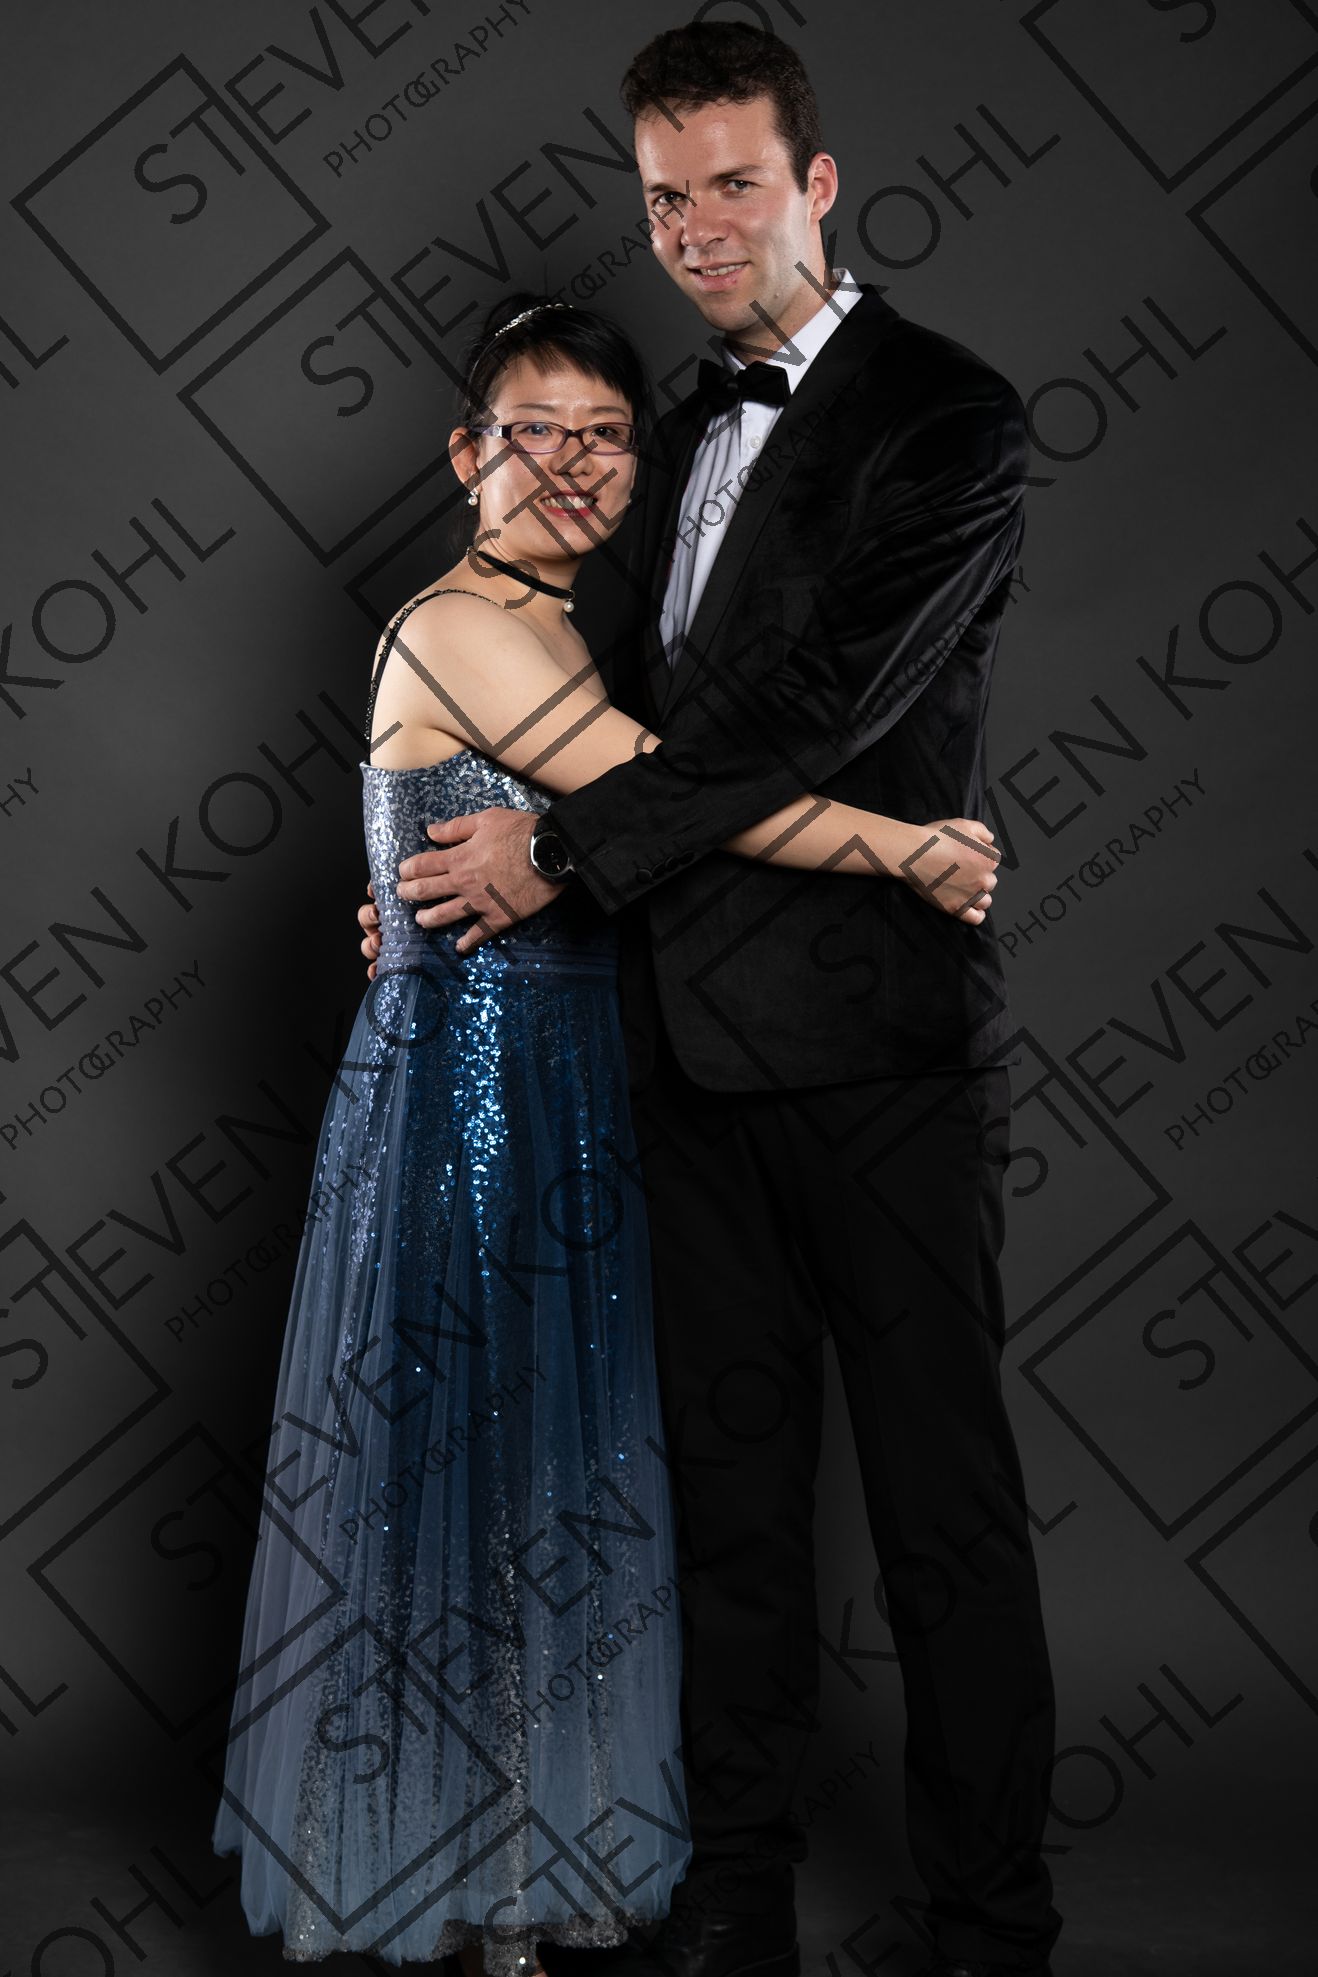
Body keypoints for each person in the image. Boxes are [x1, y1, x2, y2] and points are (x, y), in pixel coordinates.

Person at [357, 22, 1065, 1977]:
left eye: (735, 184)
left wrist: (552, 858)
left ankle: (989, 1920)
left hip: (881, 1053)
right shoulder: (659, 434)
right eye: (665, 197)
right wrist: (412, 881)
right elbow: (563, 705)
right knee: (725, 1510)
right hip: (667, 1048)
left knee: (937, 1511)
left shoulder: (948, 417)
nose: (697, 228)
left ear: (816, 184)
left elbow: (804, 711)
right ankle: (731, 1889)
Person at [215, 287, 999, 1970]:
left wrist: (410, 894)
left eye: (604, 437)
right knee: (474, 1472)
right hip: (474, 1101)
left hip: (584, 1087)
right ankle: (451, 1880)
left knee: (556, 1477)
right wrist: (908, 847)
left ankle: (530, 1860)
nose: (571, 466)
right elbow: (673, 799)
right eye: (534, 434)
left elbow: (613, 833)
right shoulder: (471, 626)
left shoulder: (586, 624)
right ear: (465, 453)